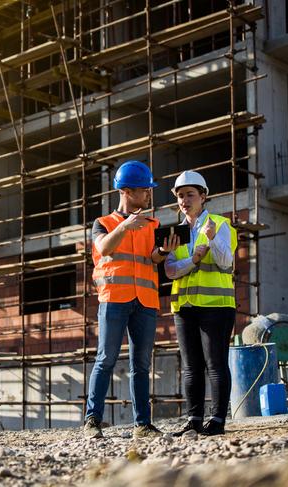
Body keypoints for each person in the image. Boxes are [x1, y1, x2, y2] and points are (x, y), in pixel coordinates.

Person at [83, 160, 179, 439]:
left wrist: (163, 250)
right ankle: (92, 421)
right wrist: (125, 226)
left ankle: (143, 425)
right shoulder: (103, 223)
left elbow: (153, 258)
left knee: (142, 364)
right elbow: (103, 247)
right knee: (106, 359)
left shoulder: (153, 223)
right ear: (126, 191)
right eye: (144, 190)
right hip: (115, 298)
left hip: (146, 301)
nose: (149, 194)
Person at [165, 171, 237, 436]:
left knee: (216, 364)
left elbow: (226, 262)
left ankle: (217, 421)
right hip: (184, 307)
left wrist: (214, 237)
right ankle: (193, 420)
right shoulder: (176, 232)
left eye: (190, 195)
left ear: (203, 196)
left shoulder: (221, 224)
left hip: (217, 305)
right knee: (191, 366)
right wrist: (192, 261)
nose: (184, 200)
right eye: (180, 196)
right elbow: (170, 270)